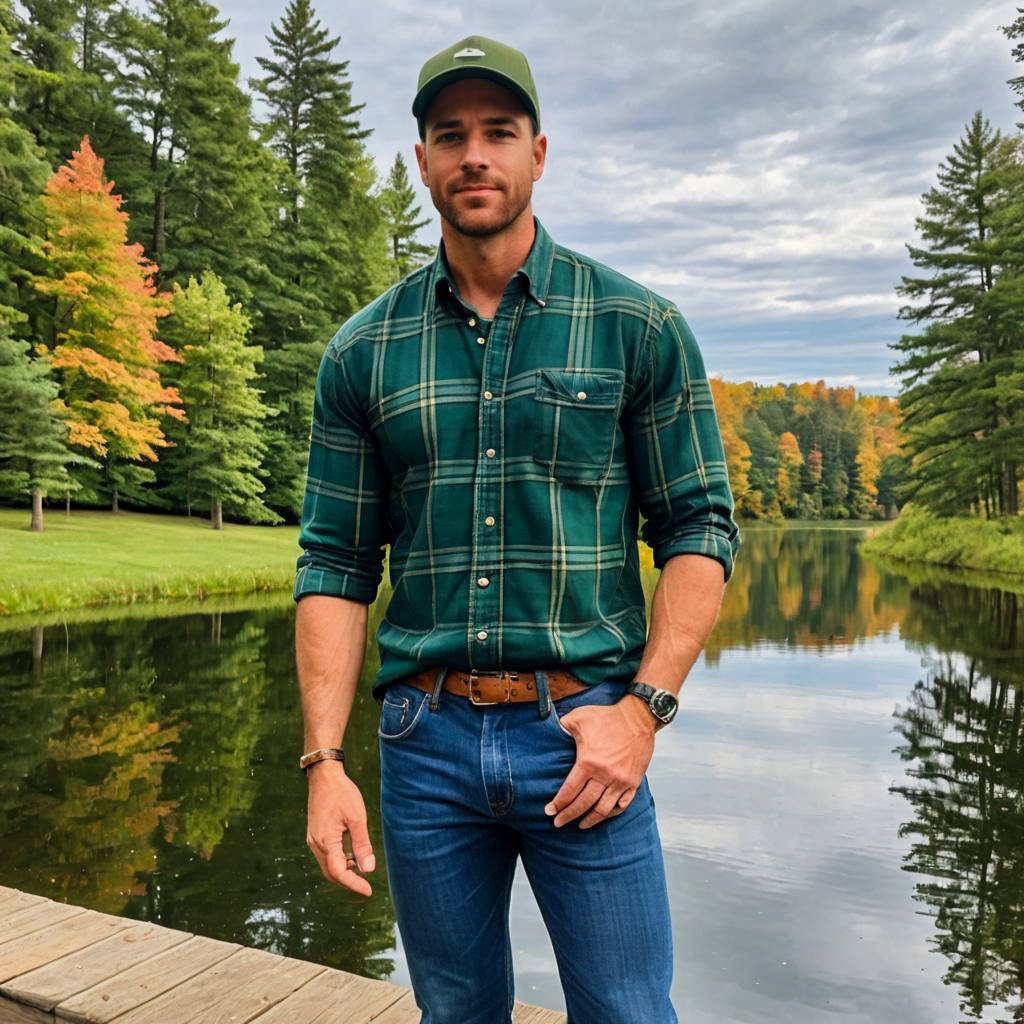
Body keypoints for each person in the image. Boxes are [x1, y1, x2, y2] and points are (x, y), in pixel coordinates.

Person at [293, 34, 741, 1024]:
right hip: (424, 739)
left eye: (498, 131)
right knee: (454, 1014)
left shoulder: (636, 327)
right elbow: (332, 561)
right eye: (449, 136)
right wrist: (324, 763)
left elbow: (699, 527)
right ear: (422, 163)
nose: (474, 155)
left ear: (539, 151)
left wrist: (645, 711)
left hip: (582, 737)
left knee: (628, 1011)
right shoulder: (364, 351)